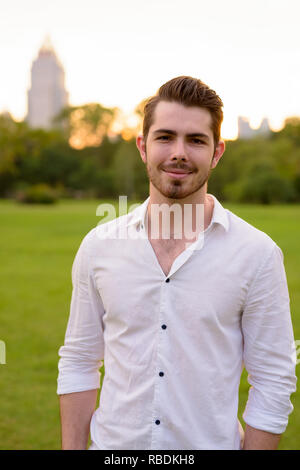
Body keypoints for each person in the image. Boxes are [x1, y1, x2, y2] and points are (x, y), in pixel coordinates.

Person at [57, 76, 297, 450]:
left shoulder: (257, 254)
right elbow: (79, 360)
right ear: (143, 146)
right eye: (165, 137)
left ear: (217, 152)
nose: (179, 152)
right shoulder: (99, 247)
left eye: (196, 140)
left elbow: (273, 380)